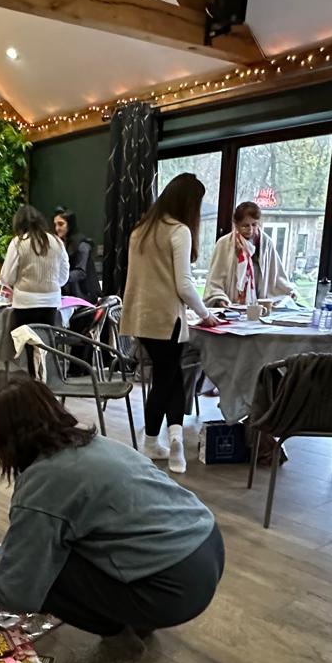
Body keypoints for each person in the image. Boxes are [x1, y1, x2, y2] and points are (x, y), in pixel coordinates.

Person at [0, 378, 224, 663]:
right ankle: (139, 618)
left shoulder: (42, 482)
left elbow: (16, 592)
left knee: (46, 570)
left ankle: (119, 642)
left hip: (174, 586)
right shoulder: (99, 444)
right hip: (208, 546)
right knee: (76, 543)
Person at [118, 174, 222, 473]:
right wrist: (205, 313)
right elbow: (184, 285)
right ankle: (161, 441)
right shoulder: (179, 231)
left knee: (170, 376)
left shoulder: (140, 230)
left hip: (140, 316)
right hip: (167, 318)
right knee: (168, 378)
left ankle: (167, 439)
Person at [203, 201, 294, 308]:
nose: (250, 230)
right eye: (245, 226)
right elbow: (215, 280)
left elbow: (276, 276)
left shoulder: (266, 243)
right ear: (236, 225)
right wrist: (220, 299)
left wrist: (288, 292)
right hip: (230, 305)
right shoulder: (224, 244)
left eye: (254, 225)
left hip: (259, 305)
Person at [0, 205, 69, 337]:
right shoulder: (57, 242)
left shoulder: (18, 243)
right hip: (51, 302)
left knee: (26, 343)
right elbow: (63, 277)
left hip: (24, 303)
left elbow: (7, 277)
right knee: (46, 342)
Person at [54, 208, 96, 301]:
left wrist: (59, 278)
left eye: (61, 224)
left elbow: (81, 272)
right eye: (55, 225)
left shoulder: (82, 245)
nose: (57, 228)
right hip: (68, 294)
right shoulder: (61, 244)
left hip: (84, 295)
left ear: (70, 224)